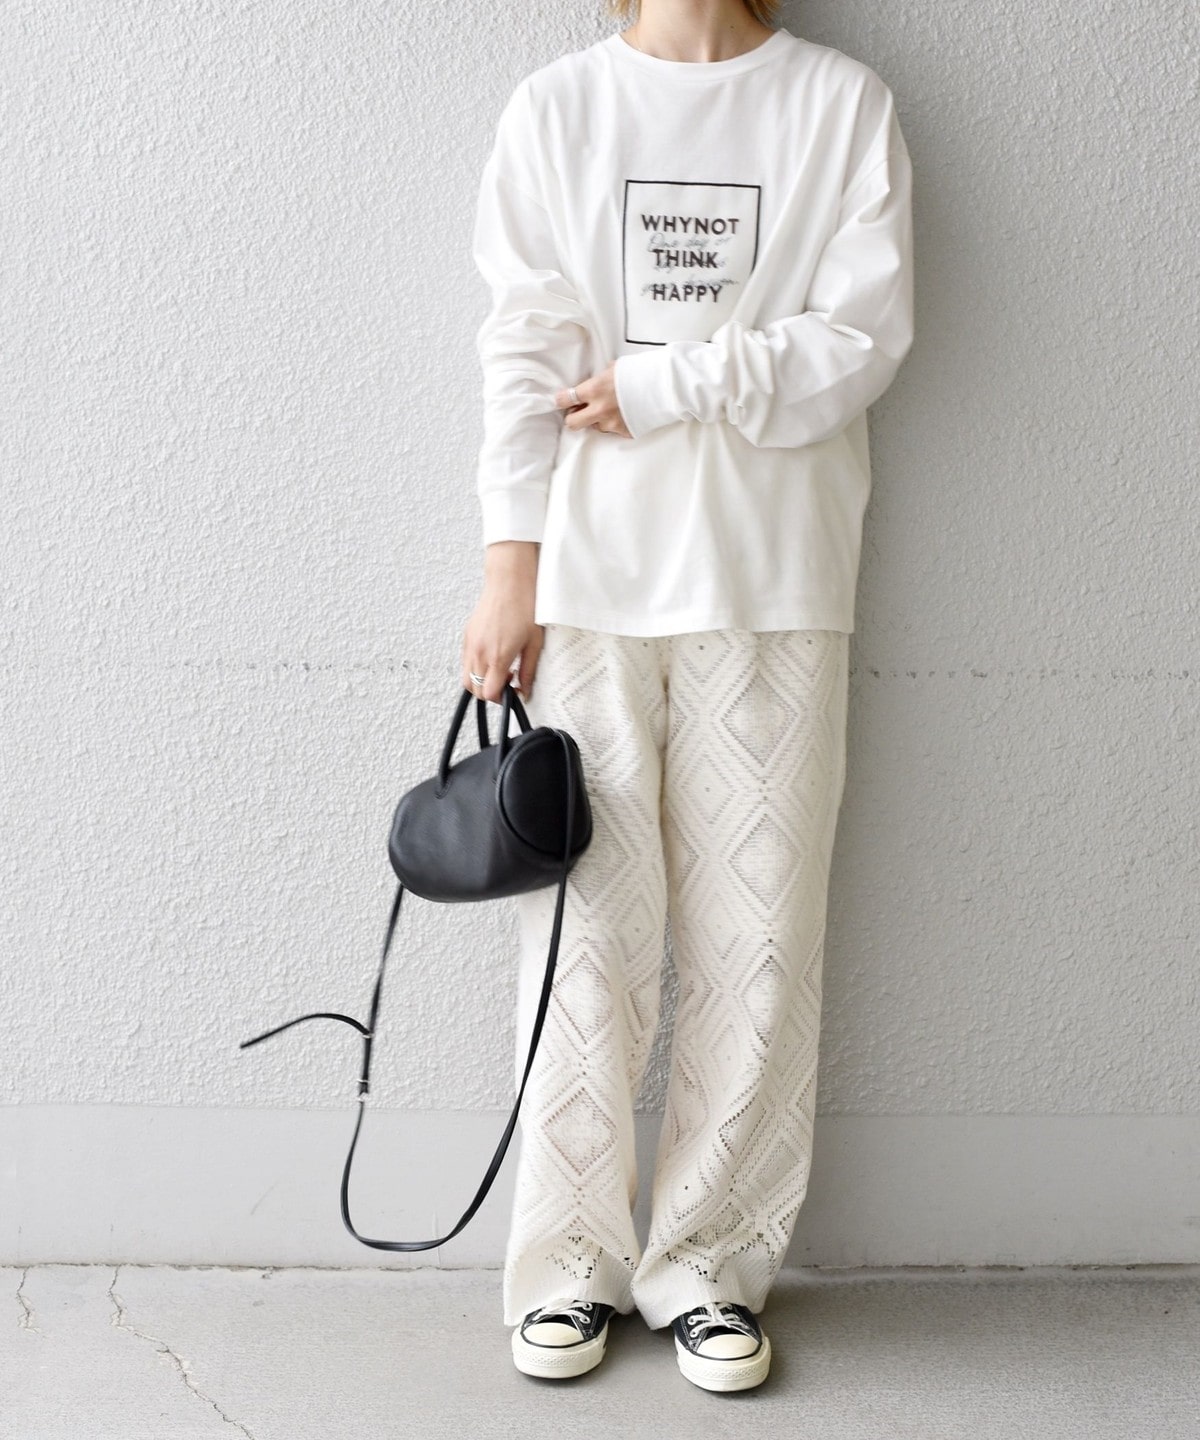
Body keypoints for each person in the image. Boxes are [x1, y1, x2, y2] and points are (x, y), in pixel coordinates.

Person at [460, 0, 914, 1394]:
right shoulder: (560, 109)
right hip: (590, 589)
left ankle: (711, 1263)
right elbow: (525, 346)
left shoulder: (839, 104)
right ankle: (569, 1264)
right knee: (584, 939)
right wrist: (509, 565)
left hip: (774, 580)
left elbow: (863, 341)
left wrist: (670, 384)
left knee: (760, 941)